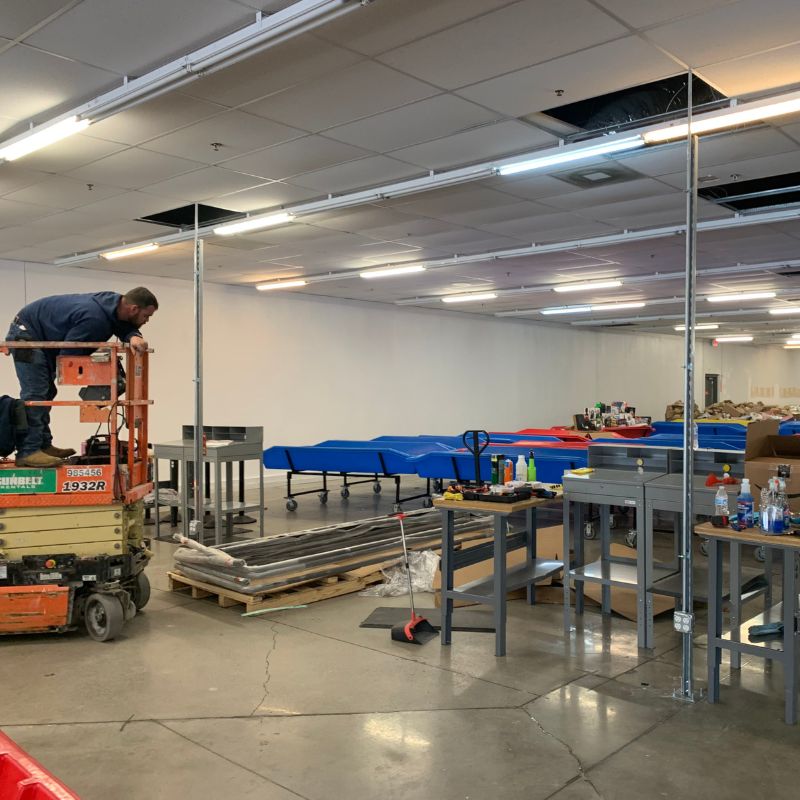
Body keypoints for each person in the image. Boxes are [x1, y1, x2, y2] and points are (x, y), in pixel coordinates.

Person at [4, 287, 158, 467]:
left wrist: (133, 336)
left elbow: (119, 323)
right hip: (26, 336)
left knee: (47, 392)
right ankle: (29, 452)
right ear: (133, 309)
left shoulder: (113, 303)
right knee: (36, 394)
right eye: (146, 316)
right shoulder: (94, 318)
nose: (146, 321)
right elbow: (70, 354)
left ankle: (43, 445)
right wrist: (97, 371)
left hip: (37, 333)